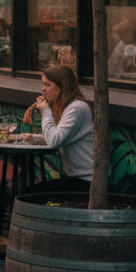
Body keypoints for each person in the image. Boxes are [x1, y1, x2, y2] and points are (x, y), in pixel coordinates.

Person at [23, 64, 93, 194]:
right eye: (43, 84)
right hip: (73, 178)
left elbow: (55, 140)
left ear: (60, 88)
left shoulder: (77, 108)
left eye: (47, 85)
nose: (43, 89)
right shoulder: (67, 107)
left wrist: (45, 111)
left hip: (86, 181)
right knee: (30, 192)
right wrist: (36, 139)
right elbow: (60, 136)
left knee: (30, 195)